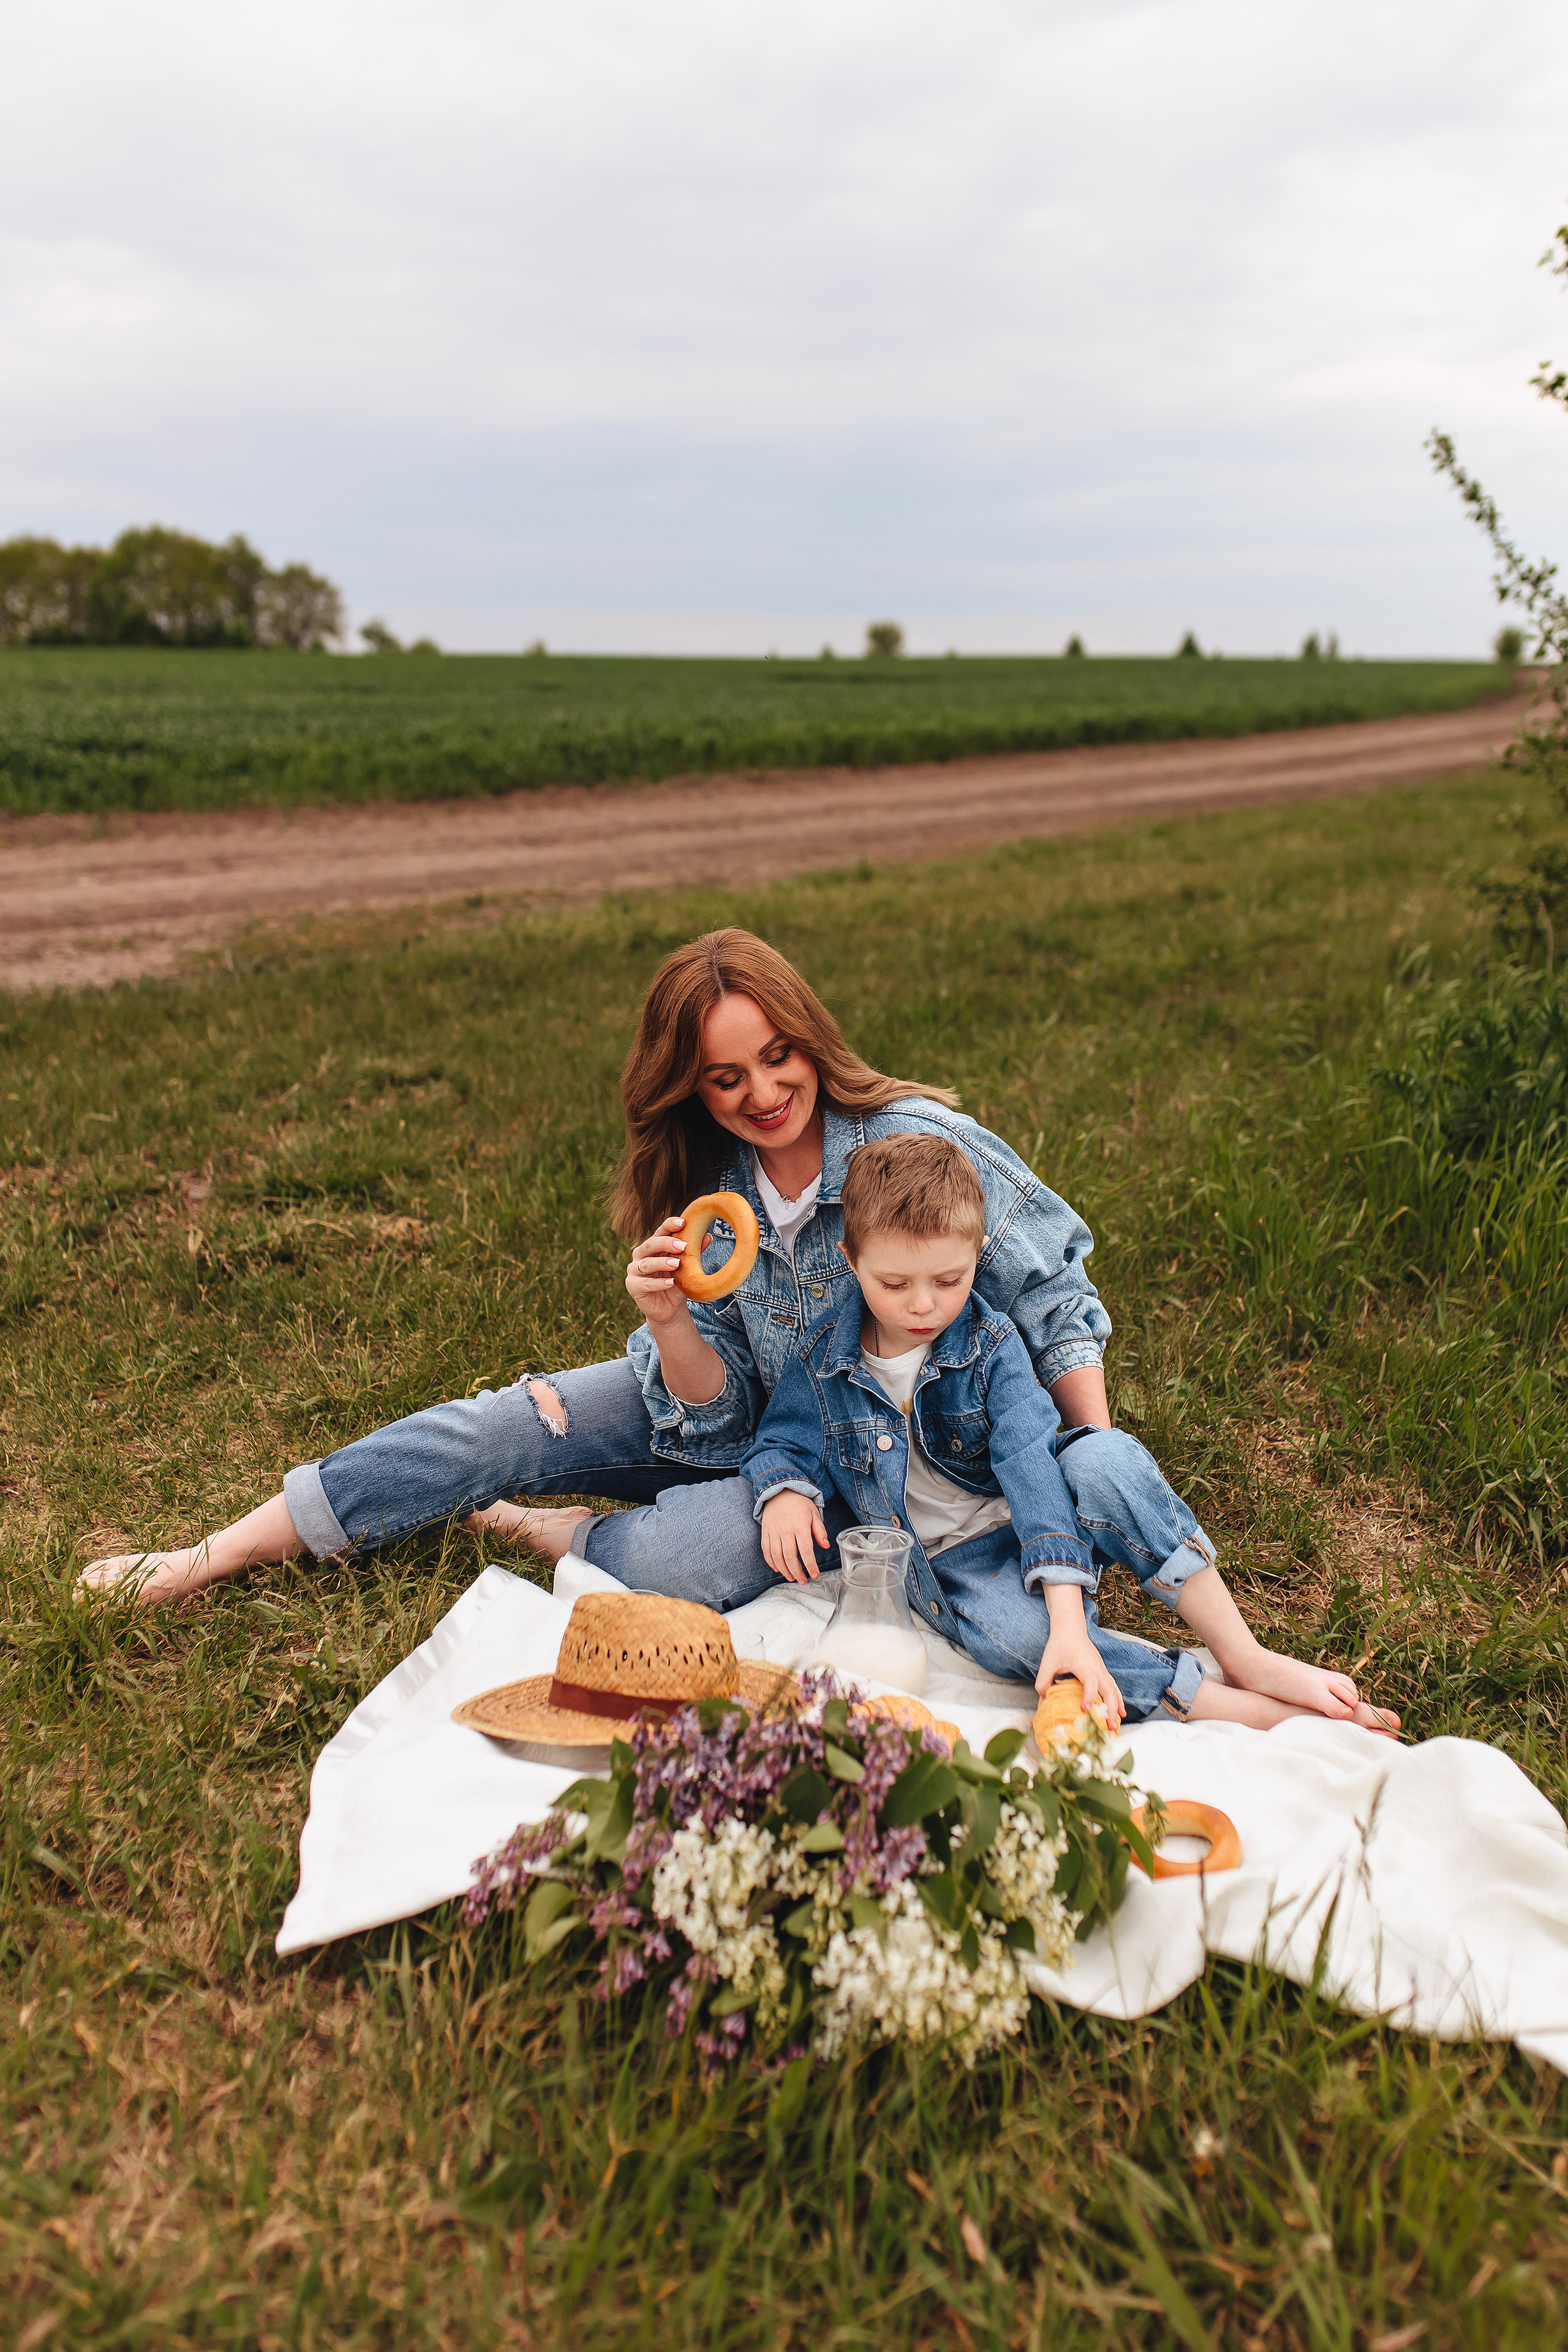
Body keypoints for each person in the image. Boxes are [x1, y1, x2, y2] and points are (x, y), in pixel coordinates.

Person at [74, 931, 1257, 1669]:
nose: (764, 1092)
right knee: (500, 1429)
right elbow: (716, 1408)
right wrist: (668, 1320)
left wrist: (1088, 1445)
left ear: (811, 1037)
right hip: (708, 1413)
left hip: (830, 1466)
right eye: (726, 1077)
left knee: (687, 1568)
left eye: (778, 1056)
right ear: (692, 1088)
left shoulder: (911, 1145)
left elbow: (1053, 1289)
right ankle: (211, 1554)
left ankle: (572, 1535)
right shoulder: (708, 1193)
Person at [745, 1134, 1399, 1735]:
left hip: (1042, 1512)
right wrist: (785, 1490)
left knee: (1106, 1457)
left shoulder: (990, 1345)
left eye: (949, 1280)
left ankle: (1243, 1655)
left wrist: (1066, 1607)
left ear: (976, 1256)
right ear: (850, 1260)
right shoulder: (820, 1357)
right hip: (953, 1560)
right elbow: (783, 1440)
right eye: (895, 1283)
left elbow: (1031, 1468)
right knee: (1023, 1647)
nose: (923, 1305)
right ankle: (1231, 1706)